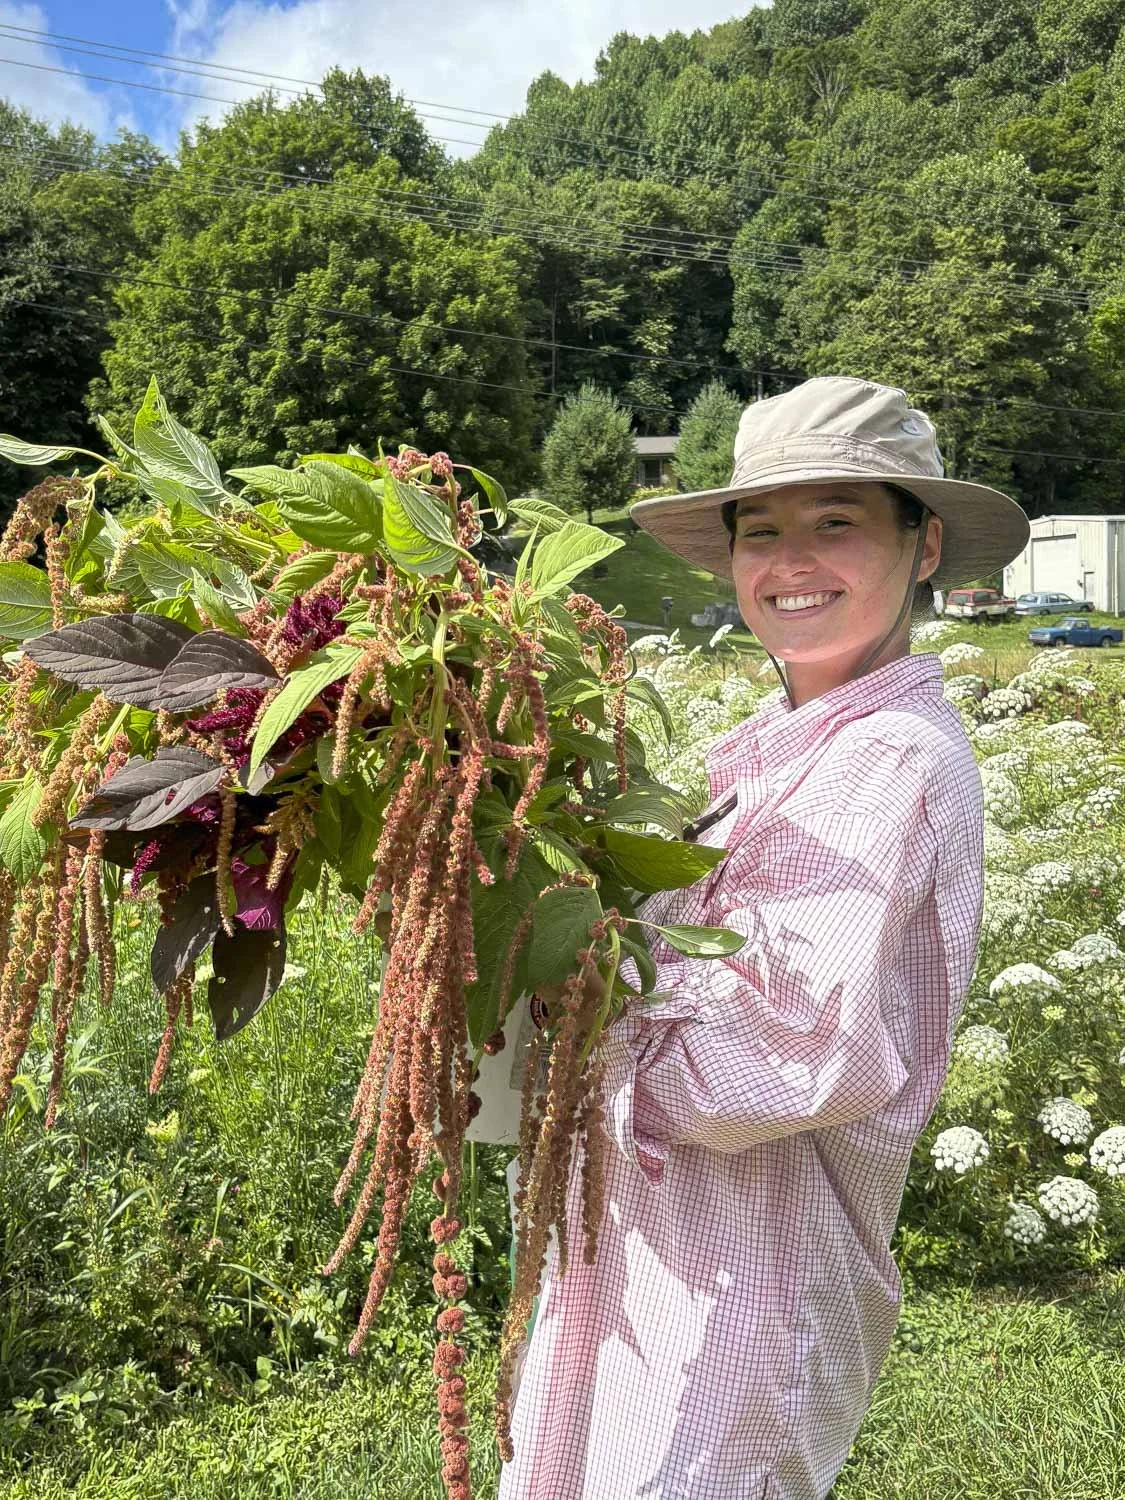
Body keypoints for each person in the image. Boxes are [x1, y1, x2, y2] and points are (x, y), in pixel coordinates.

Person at [497, 376, 1030, 1500]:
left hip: (747, 1274)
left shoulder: (884, 759)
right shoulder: (781, 746)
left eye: (837, 522)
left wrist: (577, 1040)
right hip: (651, 1249)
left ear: (924, 545)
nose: (792, 562)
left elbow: (792, 1052)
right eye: (762, 530)